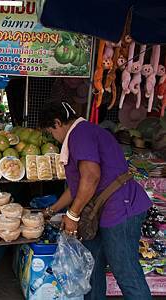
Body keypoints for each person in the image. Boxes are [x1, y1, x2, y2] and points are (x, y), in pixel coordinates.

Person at [39, 102, 152, 300]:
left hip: (121, 209)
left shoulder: (79, 134)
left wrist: (72, 215)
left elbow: (91, 177)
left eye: (50, 132)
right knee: (91, 266)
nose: (53, 138)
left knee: (126, 274)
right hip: (103, 211)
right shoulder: (84, 132)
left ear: (57, 123)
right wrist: (51, 210)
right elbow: (78, 188)